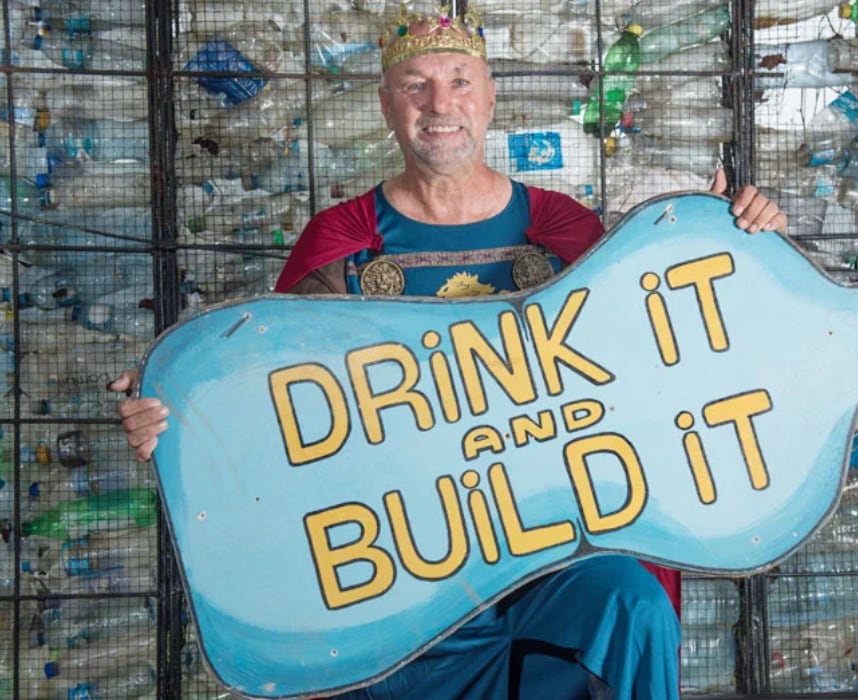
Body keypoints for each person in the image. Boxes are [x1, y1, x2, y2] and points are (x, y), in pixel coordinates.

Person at [112, 5, 787, 698]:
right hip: (404, 563)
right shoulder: (343, 241)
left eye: (459, 81)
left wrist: (725, 243)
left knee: (630, 603)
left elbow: (659, 352)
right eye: (416, 85)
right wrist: (179, 404)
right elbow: (271, 399)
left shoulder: (562, 229)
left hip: (553, 555)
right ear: (386, 105)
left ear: (490, 98)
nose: (440, 105)